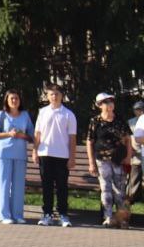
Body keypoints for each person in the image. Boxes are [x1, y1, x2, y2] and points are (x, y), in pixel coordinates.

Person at [33, 84, 77, 228]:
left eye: (57, 94)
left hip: (62, 155)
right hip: (45, 154)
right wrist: (35, 151)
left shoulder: (69, 114)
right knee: (47, 186)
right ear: (47, 96)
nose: (54, 96)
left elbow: (72, 138)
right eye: (51, 94)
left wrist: (72, 157)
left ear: (62, 96)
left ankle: (63, 214)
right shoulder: (43, 112)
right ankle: (47, 214)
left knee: (62, 186)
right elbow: (37, 134)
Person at [85, 93, 132, 227]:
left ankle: (122, 219)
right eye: (106, 102)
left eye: (111, 101)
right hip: (102, 160)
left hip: (119, 160)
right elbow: (90, 142)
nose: (110, 104)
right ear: (99, 105)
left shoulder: (120, 120)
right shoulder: (95, 121)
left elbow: (128, 140)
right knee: (106, 189)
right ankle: (108, 217)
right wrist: (91, 162)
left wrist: (128, 157)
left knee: (120, 191)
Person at [0, 90, 33, 224]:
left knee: (18, 186)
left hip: (20, 155)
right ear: (7, 100)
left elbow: (31, 136)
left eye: (16, 98)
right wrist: (9, 134)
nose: (14, 101)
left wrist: (21, 135)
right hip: (4, 154)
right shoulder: (1, 115)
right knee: (4, 184)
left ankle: (18, 214)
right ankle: (4, 215)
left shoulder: (25, 115)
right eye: (11, 98)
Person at [130, 99, 144, 206]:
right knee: (133, 183)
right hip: (135, 156)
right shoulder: (131, 122)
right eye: (137, 109)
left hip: (140, 154)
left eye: (141, 109)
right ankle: (129, 202)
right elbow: (132, 139)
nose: (139, 111)